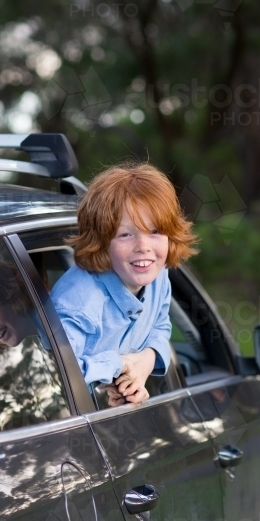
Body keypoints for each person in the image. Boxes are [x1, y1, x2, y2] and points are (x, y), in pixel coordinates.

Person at [50, 162, 198, 405]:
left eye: (155, 232)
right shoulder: (79, 305)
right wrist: (119, 365)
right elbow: (57, 373)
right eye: (126, 234)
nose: (144, 247)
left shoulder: (158, 275)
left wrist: (144, 362)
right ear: (101, 243)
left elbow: (160, 325)